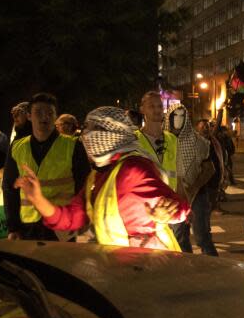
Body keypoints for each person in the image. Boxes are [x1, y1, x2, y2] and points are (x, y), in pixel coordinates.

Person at [13, 106, 189, 250]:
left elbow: (180, 206)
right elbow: (74, 217)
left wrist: (167, 212)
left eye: (93, 129)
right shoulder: (97, 176)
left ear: (113, 134)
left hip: (150, 265)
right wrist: (38, 200)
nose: (85, 136)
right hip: (116, 266)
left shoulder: (133, 168)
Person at [3, 93, 90, 241]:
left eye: (50, 113)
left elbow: (84, 186)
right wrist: (13, 227)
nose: (44, 117)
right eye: (39, 113)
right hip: (27, 227)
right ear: (29, 116)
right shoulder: (17, 147)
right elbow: (10, 188)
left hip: (62, 226)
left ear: (56, 117)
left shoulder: (74, 146)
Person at [167, 105, 217, 256]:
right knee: (179, 238)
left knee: (202, 237)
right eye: (175, 116)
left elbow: (210, 168)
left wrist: (193, 187)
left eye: (182, 116)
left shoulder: (198, 142)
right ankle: (187, 271)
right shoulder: (163, 141)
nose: (178, 119)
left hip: (197, 195)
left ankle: (216, 270)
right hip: (173, 195)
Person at [137, 92, 181, 245]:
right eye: (151, 106)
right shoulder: (134, 140)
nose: (156, 110)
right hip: (147, 209)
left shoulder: (172, 139)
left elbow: (179, 175)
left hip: (171, 207)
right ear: (142, 109)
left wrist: (184, 201)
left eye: (159, 106)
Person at [195, 119, 225, 213]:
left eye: (207, 126)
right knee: (203, 200)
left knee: (214, 193)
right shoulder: (195, 142)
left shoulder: (213, 140)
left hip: (215, 174)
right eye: (202, 126)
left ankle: (214, 207)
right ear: (197, 128)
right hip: (202, 175)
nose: (205, 128)